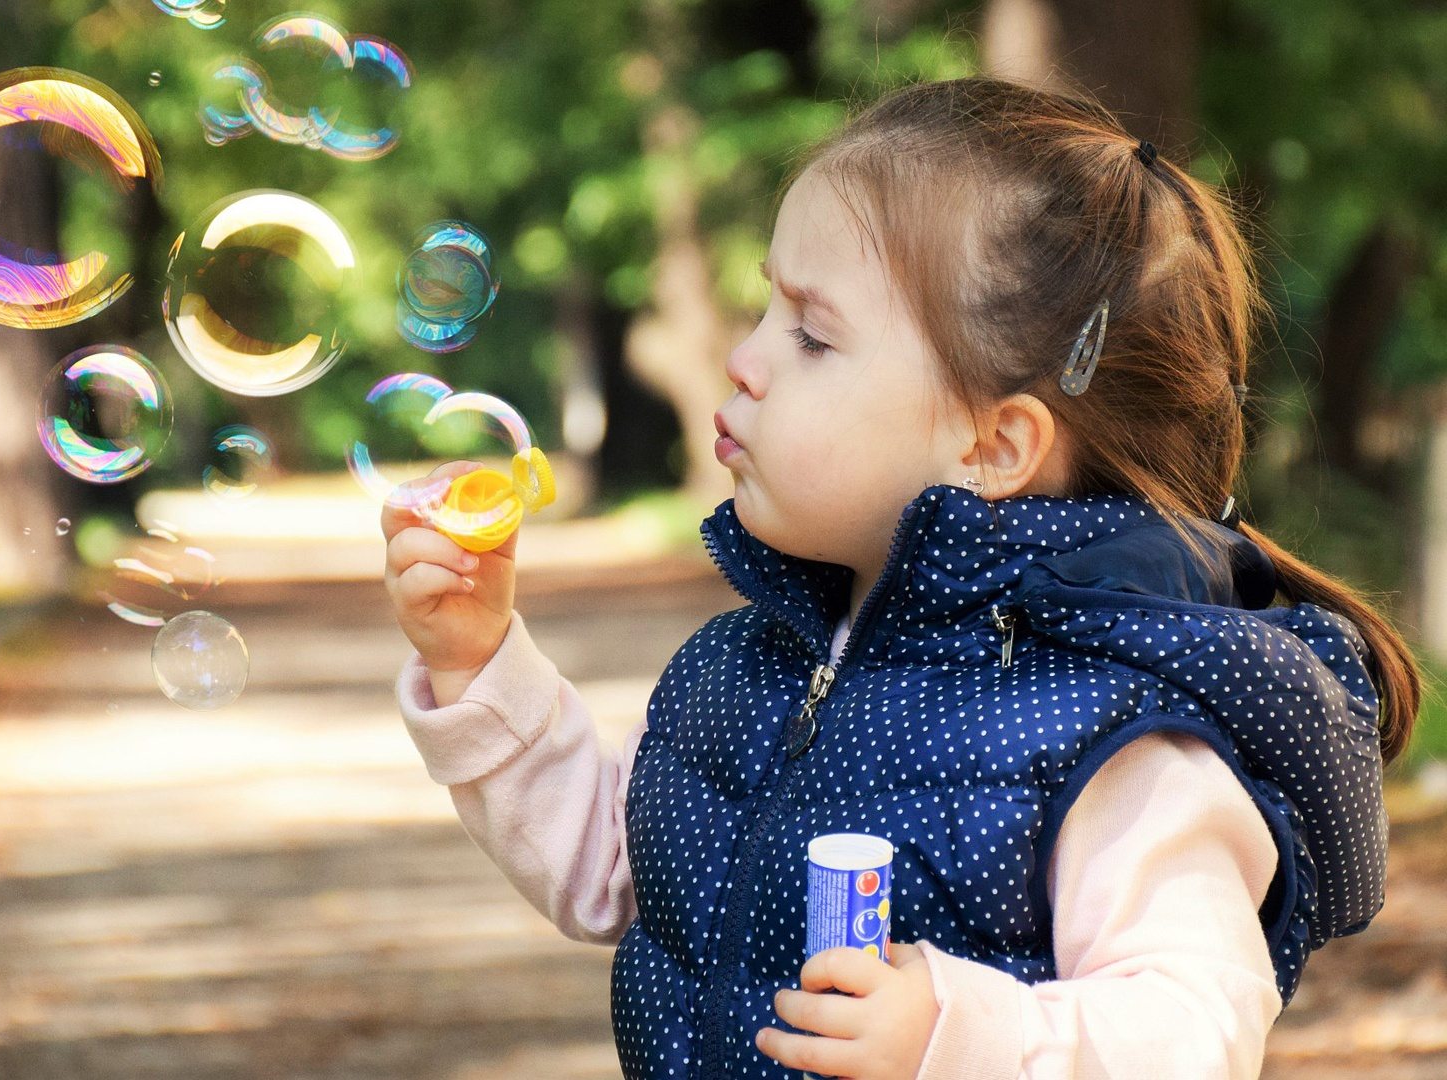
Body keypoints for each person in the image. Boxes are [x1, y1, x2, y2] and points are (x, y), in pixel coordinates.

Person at [380, 75, 1420, 1080]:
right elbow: (622, 874)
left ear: (996, 444)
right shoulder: (752, 664)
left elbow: (1195, 1029)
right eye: (762, 310)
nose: (745, 360)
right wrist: (481, 667)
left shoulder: (1114, 732)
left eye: (813, 334)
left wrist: (956, 1036)